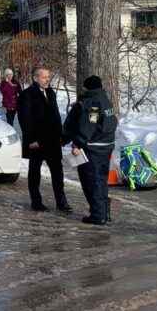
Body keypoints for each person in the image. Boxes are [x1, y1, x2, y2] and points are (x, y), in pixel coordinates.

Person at [63, 75, 118, 225]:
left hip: (93, 149)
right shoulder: (105, 100)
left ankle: (97, 215)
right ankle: (105, 213)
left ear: (88, 88)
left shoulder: (93, 103)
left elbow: (90, 124)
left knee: (91, 181)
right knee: (101, 180)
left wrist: (78, 144)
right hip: (106, 147)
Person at [18, 67, 71, 212]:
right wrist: (31, 140)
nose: (47, 79)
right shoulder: (27, 94)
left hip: (53, 140)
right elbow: (25, 119)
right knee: (35, 172)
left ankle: (61, 202)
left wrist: (61, 135)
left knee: (57, 172)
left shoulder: (51, 92)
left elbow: (56, 116)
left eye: (48, 77)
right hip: (37, 141)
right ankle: (36, 201)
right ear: (35, 78)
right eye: (44, 77)